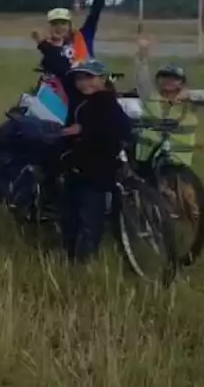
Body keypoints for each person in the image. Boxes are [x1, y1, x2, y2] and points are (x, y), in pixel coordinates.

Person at [59, 59, 132, 264]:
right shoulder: (79, 99)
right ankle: (70, 254)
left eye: (89, 77)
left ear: (102, 79)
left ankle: (84, 261)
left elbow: (120, 131)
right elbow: (60, 69)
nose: (83, 83)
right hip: (76, 165)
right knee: (70, 214)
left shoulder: (107, 102)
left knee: (91, 217)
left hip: (97, 170)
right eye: (79, 79)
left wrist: (84, 130)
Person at [133, 37, 204, 167]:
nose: (168, 81)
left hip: (179, 160)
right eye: (164, 77)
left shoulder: (190, 100)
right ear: (158, 79)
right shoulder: (149, 95)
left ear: (181, 82)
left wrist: (187, 95)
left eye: (174, 78)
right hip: (148, 157)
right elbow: (141, 77)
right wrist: (142, 52)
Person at [32, 0, 116, 78]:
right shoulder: (48, 46)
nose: (59, 27)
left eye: (63, 23)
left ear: (69, 24)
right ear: (49, 27)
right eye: (54, 24)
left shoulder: (83, 35)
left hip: (87, 82)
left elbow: (94, 14)